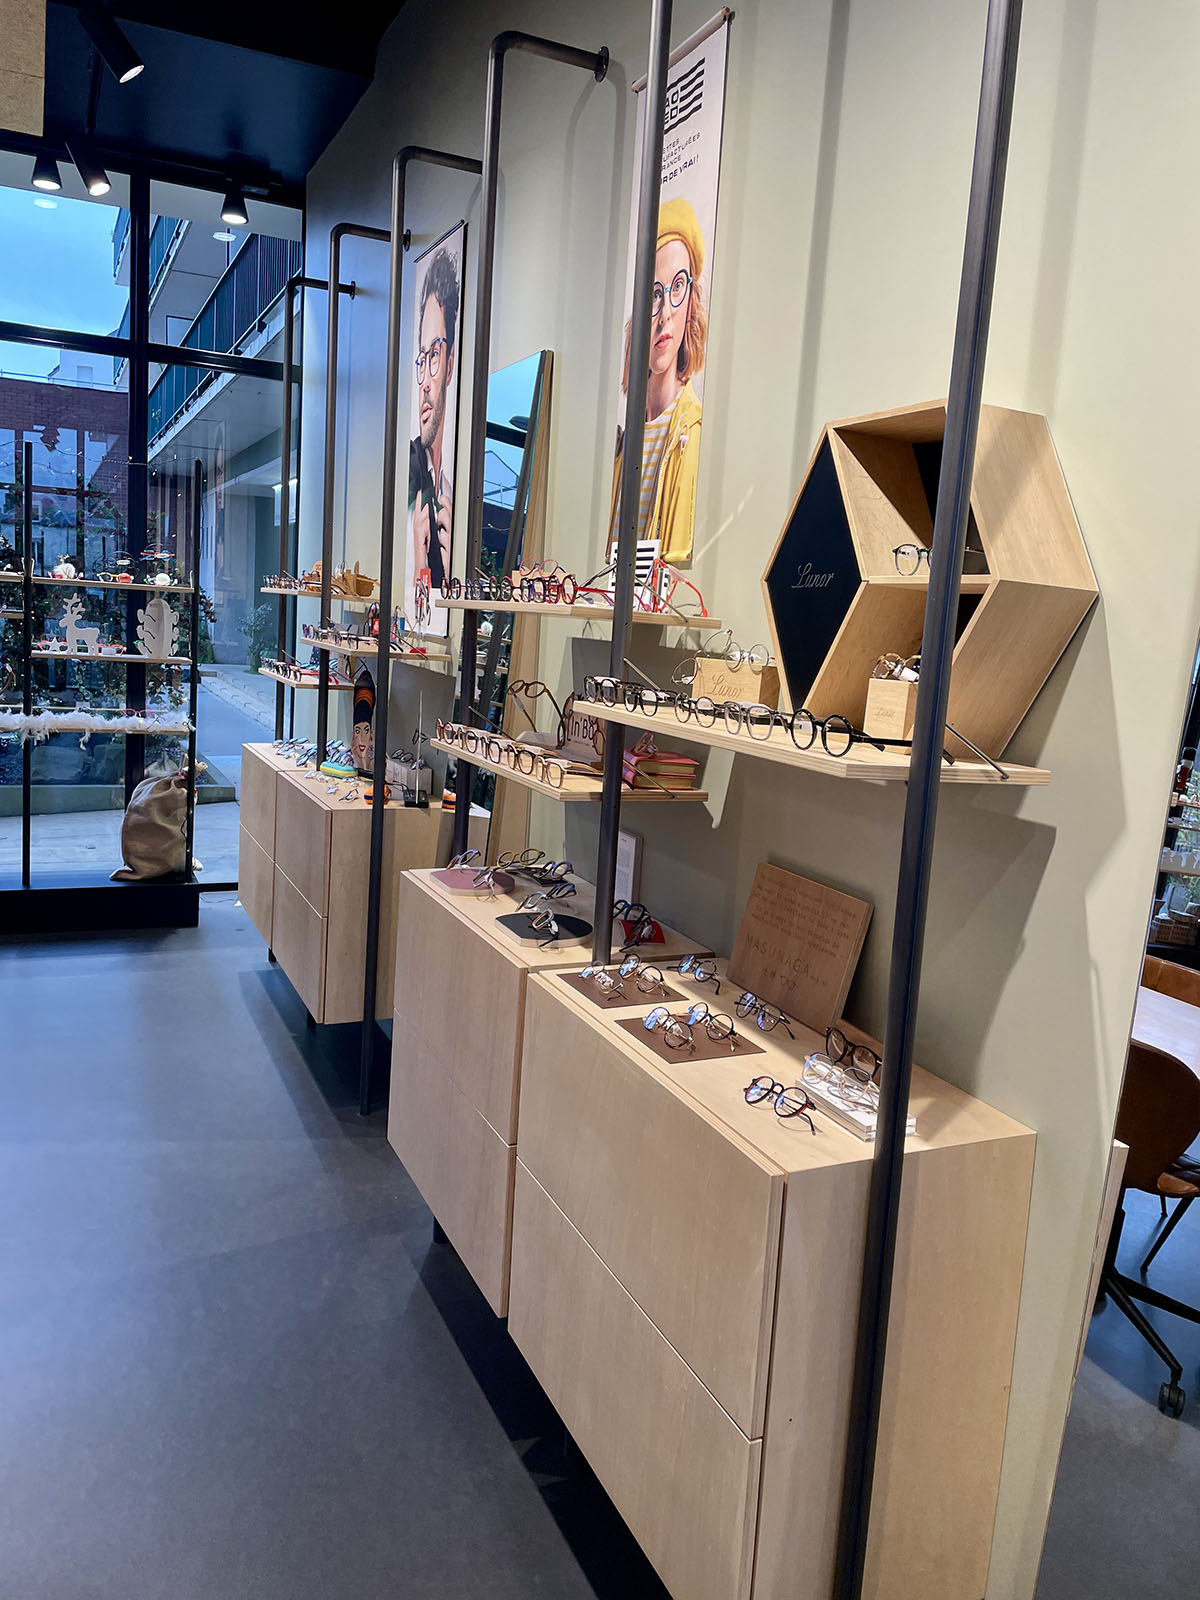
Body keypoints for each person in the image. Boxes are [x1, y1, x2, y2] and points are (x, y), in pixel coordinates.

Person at [609, 196, 708, 565]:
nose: (665, 313)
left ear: (691, 300)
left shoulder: (692, 430)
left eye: (677, 287)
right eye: (653, 294)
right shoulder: (622, 438)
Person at [408, 247, 459, 590]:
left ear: (450, 365)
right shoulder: (411, 473)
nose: (425, 381)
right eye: (422, 359)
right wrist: (418, 563)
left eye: (435, 355)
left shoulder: (456, 491)